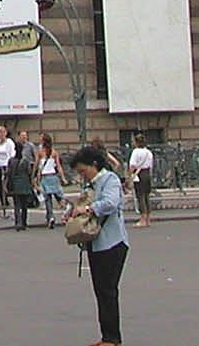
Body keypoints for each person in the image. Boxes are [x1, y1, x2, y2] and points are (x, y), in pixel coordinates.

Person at [68, 144, 129, 346]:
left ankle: (113, 339)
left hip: (113, 243)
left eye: (83, 171)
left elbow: (111, 203)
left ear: (94, 164)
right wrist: (73, 214)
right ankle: (107, 336)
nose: (82, 176)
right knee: (101, 291)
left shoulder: (109, 179)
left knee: (108, 291)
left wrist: (88, 208)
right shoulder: (90, 185)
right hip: (96, 244)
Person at [6, 134, 36, 230]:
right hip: (25, 184)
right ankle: (24, 222)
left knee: (17, 205)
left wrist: (7, 184)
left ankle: (18, 222)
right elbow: (29, 172)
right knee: (24, 205)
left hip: (15, 184)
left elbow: (9, 173)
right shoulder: (25, 161)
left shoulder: (11, 161)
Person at [37, 135, 66, 229]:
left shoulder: (40, 152)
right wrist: (62, 177)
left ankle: (51, 217)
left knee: (47, 199)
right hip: (53, 176)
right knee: (58, 196)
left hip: (45, 177)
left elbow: (37, 166)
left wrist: (35, 176)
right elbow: (58, 166)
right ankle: (66, 210)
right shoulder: (54, 152)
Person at [126, 134, 155, 227]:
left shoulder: (136, 152)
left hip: (139, 175)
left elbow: (132, 165)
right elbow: (151, 166)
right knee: (147, 197)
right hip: (147, 174)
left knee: (140, 197)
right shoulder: (149, 152)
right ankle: (148, 219)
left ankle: (142, 219)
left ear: (136, 142)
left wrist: (129, 175)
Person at [0, 124, 16, 211]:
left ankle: (13, 200)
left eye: (2, 132)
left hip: (7, 165)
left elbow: (12, 153)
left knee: (7, 184)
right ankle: (4, 202)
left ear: (5, 133)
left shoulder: (9, 142)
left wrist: (10, 163)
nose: (0, 134)